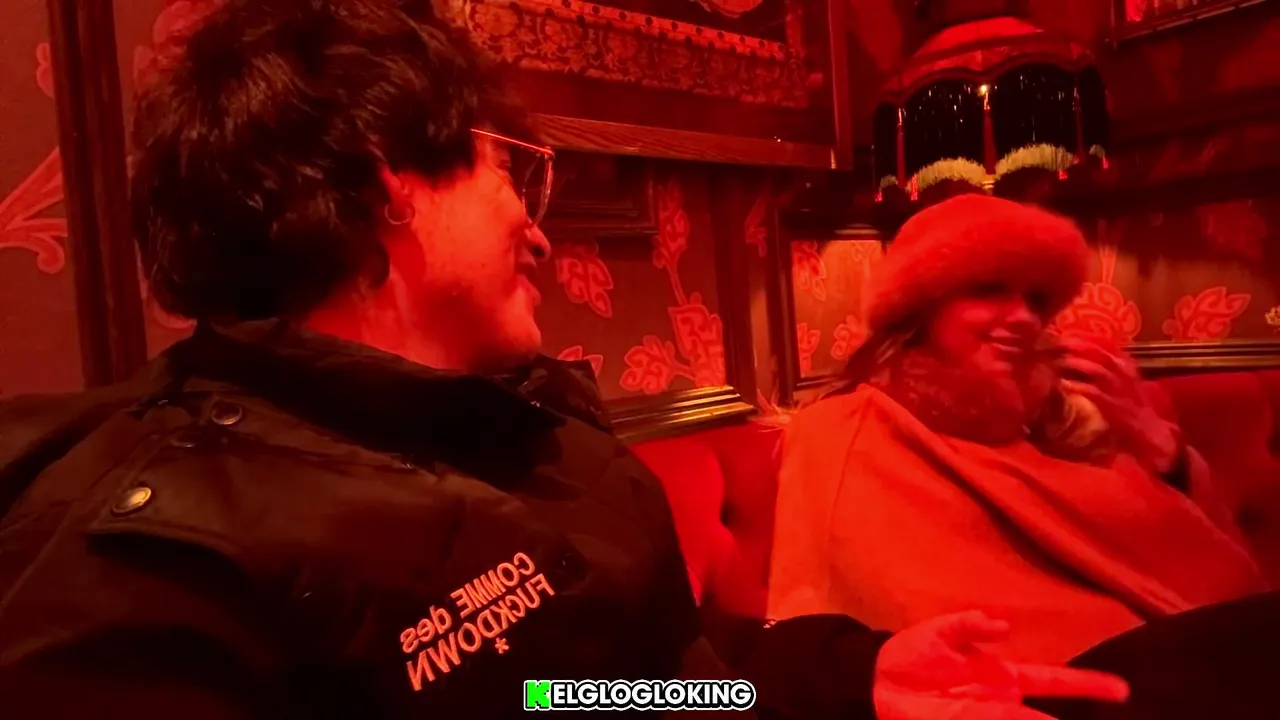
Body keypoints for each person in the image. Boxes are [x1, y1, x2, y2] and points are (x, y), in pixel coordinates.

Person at [0, 3, 1127, 717]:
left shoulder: (523, 432)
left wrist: (845, 679)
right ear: (388, 183)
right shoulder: (148, 574)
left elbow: (589, 695)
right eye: (511, 174)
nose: (540, 235)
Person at [767, 193, 1271, 668]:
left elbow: (1220, 575)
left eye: (1035, 299)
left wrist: (1165, 453)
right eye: (989, 289)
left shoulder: (1068, 425)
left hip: (1203, 663)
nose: (1024, 318)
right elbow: (812, 633)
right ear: (919, 311)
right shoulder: (847, 432)